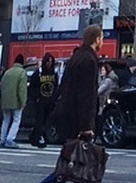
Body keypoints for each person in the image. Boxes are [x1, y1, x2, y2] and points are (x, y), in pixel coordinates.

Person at [34, 26, 103, 183]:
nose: (102, 42)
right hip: (78, 120)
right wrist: (87, 126)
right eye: (102, 39)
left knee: (71, 165)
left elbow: (65, 87)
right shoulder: (89, 60)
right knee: (77, 168)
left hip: (67, 115)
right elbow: (86, 95)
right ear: (97, 39)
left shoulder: (77, 56)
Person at [28, 54, 59, 147]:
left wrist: (54, 98)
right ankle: (39, 137)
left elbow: (56, 86)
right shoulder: (39, 73)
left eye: (51, 62)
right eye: (47, 61)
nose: (49, 64)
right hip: (40, 101)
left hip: (50, 100)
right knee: (40, 120)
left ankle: (34, 136)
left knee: (46, 120)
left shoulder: (54, 73)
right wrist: (35, 98)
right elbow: (32, 86)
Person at [0, 54, 30, 149]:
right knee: (16, 120)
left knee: (6, 120)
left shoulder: (8, 72)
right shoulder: (22, 72)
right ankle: (10, 139)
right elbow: (22, 89)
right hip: (16, 100)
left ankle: (2, 139)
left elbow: (1, 85)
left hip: (5, 100)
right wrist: (23, 101)